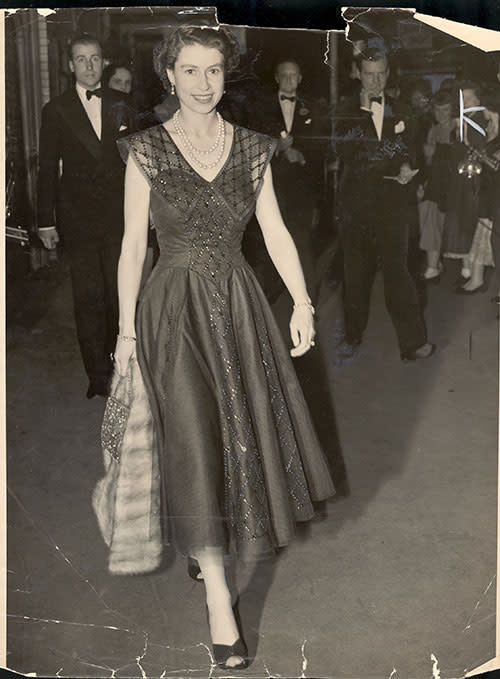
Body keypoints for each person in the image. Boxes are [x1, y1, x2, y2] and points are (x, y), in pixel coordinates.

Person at [111, 26, 335, 671]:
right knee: (189, 434)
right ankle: (218, 602)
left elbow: (275, 230)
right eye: (190, 71)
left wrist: (301, 300)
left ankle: (203, 536)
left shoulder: (254, 150)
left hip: (237, 306)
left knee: (233, 433)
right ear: (169, 76)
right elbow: (132, 249)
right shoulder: (145, 151)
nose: (203, 84)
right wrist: (126, 334)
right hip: (170, 311)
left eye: (214, 71)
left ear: (224, 76)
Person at [37, 34, 136, 398]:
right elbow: (47, 169)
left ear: (104, 62)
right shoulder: (56, 110)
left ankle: (122, 364)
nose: (90, 66)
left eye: (95, 59)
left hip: (118, 214)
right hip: (77, 217)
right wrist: (45, 220)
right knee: (89, 295)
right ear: (69, 65)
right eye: (82, 59)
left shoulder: (124, 104)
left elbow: (140, 160)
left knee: (119, 292)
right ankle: (98, 375)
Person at [334, 48, 435, 362]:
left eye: (380, 73)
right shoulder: (344, 110)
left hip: (393, 208)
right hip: (356, 210)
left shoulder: (403, 111)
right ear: (357, 74)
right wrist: (364, 114)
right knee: (355, 277)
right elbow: (344, 152)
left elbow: (411, 151)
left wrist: (408, 168)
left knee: (399, 274)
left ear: (389, 73)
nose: (375, 81)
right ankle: (352, 335)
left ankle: (412, 343)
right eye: (368, 74)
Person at [246, 58, 326, 301]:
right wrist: (277, 148)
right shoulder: (259, 107)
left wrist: (302, 156)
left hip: (301, 190)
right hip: (271, 188)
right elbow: (251, 145)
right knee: (269, 244)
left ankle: (306, 302)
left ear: (301, 78)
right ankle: (270, 301)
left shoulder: (314, 107)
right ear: (276, 78)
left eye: (295, 76)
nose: (290, 81)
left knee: (302, 244)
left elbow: (321, 148)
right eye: (285, 75)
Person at [418, 89, 456, 282]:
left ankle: (435, 265)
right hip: (434, 184)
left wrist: (436, 151)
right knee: (427, 216)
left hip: (452, 186)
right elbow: (427, 160)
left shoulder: (458, 128)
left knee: (438, 222)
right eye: (437, 110)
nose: (441, 114)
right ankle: (433, 265)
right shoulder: (433, 130)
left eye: (446, 110)